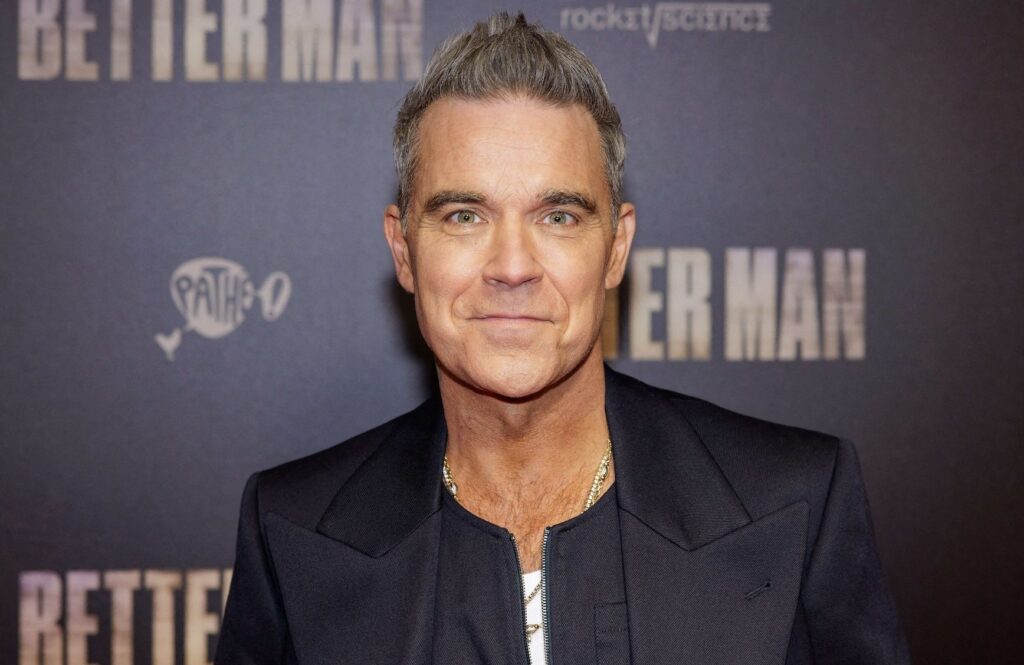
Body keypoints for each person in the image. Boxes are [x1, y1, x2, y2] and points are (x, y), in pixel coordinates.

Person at [215, 12, 910, 664]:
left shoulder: (794, 504)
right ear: (403, 250)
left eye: (559, 217)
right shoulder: (293, 534)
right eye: (464, 216)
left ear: (616, 248)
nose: (512, 267)